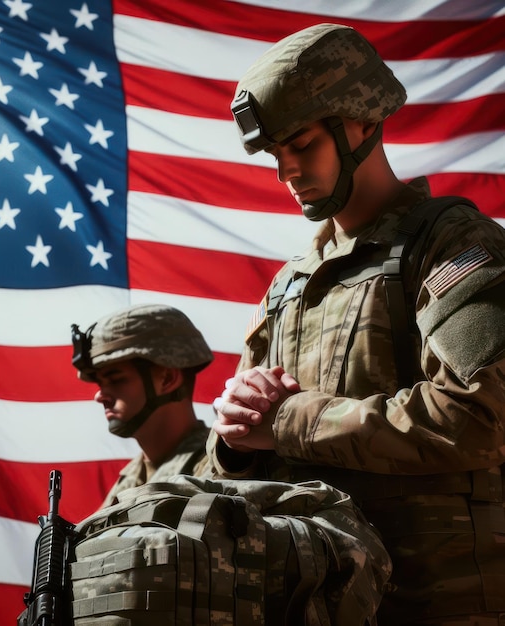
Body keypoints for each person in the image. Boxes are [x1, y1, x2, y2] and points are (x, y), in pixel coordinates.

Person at [208, 22, 505, 625]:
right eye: (276, 154)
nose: (287, 170)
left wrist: (288, 420)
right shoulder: (289, 285)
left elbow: (479, 418)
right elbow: (251, 440)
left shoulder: (454, 245)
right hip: (314, 602)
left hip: (435, 602)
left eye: (301, 144)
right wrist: (232, 440)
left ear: (362, 122)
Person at [71, 303, 214, 508]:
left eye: (116, 380)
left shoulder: (223, 468)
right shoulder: (129, 481)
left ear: (167, 379)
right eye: (100, 383)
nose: (99, 396)